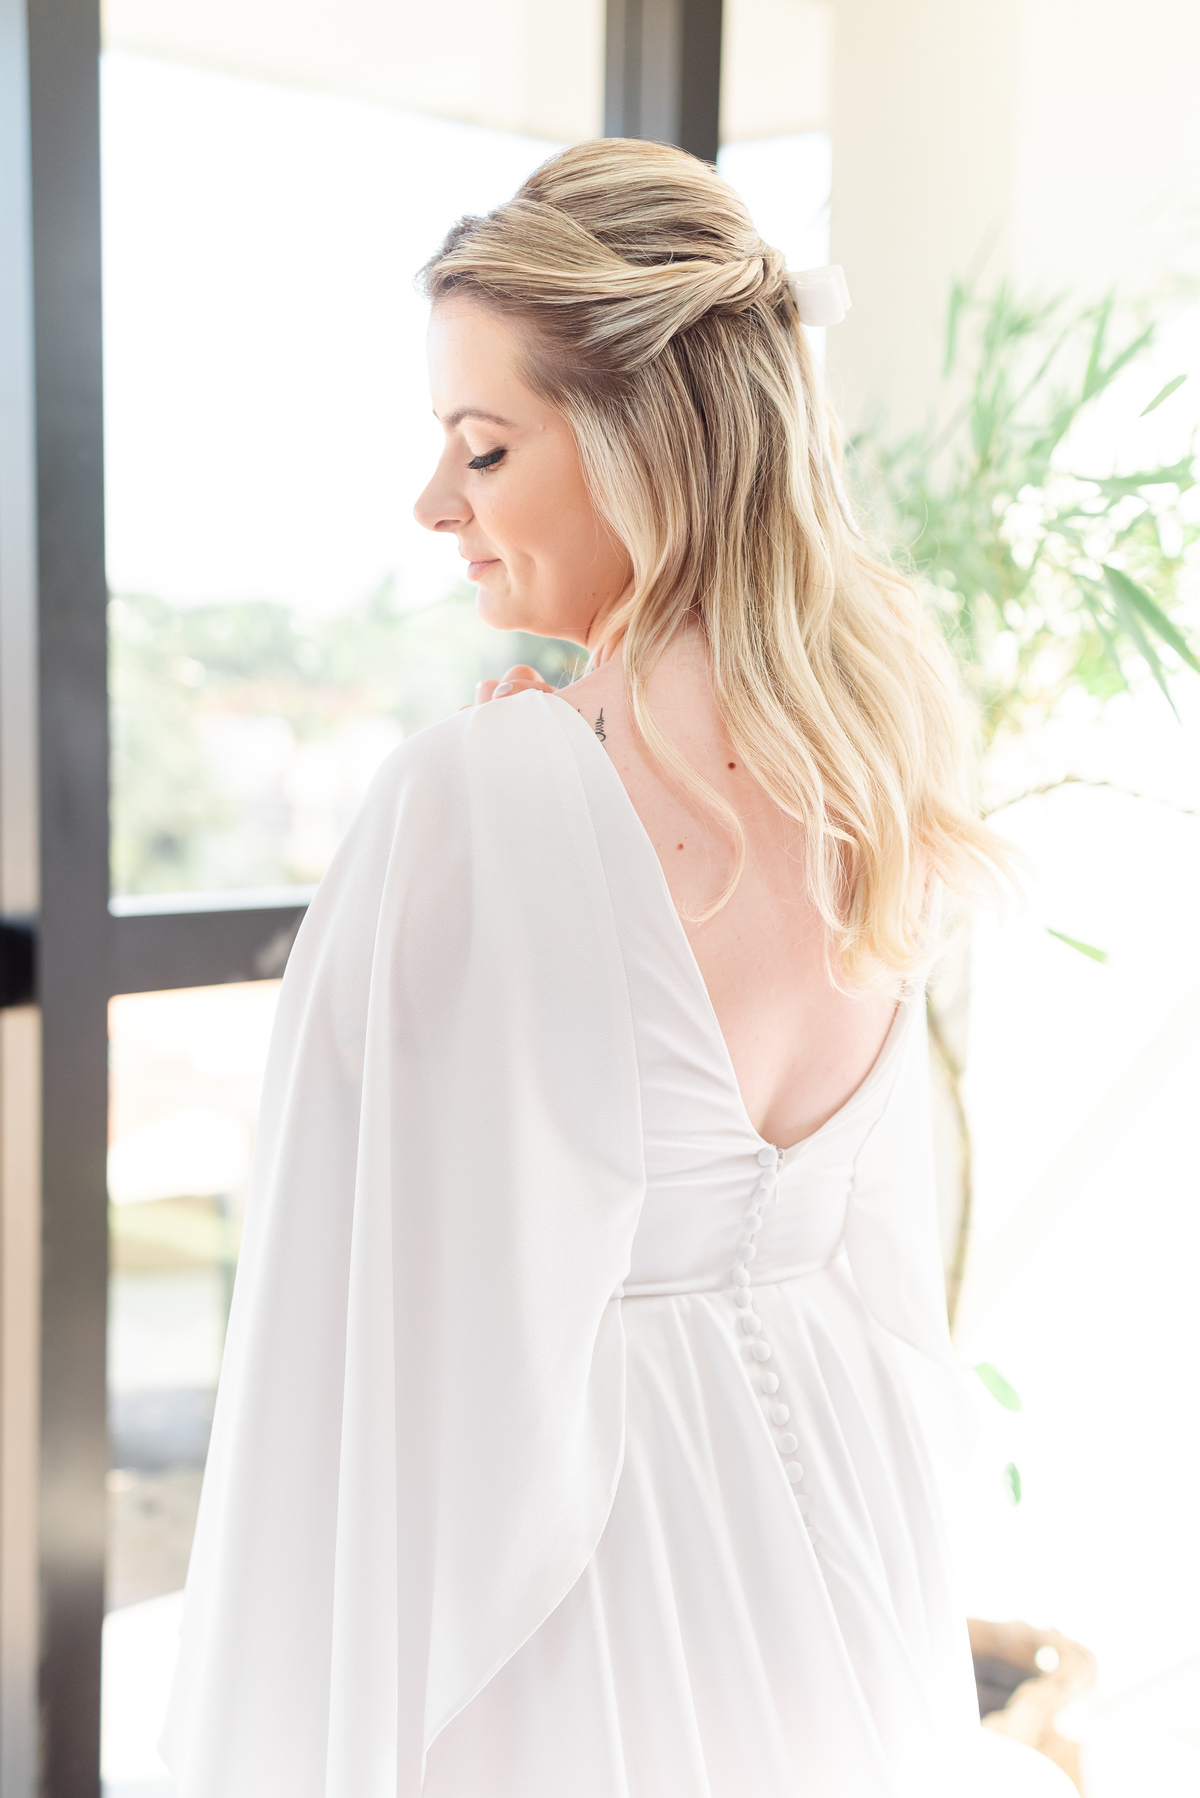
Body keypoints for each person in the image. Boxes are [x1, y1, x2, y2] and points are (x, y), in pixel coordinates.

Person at [161, 140, 1075, 1797]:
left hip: (587, 1568)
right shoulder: (883, 768)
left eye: (483, 446)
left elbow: (343, 1320)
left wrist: (510, 807)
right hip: (833, 1530)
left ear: (645, 444)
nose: (435, 505)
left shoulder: (472, 796)